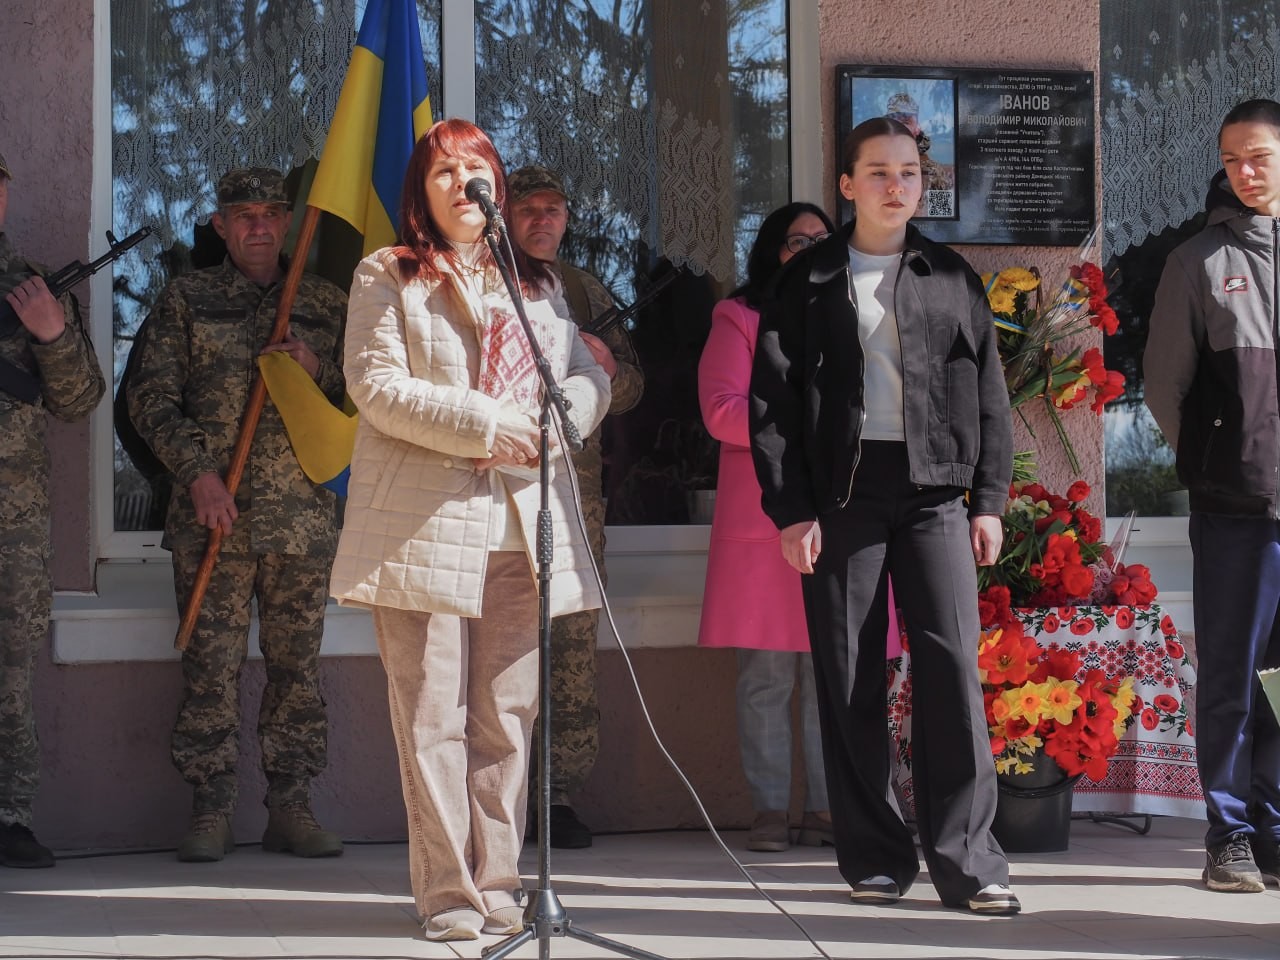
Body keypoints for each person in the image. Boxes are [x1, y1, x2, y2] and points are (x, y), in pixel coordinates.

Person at [328, 120, 610, 942]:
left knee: (506, 719)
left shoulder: (535, 285)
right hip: (423, 531)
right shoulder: (389, 274)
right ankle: (448, 894)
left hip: (521, 530)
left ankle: (500, 884)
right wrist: (489, 423)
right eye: (444, 171)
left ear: (497, 184)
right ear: (422, 191)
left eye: (475, 168)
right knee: (433, 722)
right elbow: (376, 386)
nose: (462, 183)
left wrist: (558, 424)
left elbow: (585, 375)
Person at [748, 117, 1018, 914]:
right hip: (843, 497)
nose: (895, 186)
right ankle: (874, 859)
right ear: (847, 184)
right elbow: (773, 406)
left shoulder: (951, 276)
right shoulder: (807, 281)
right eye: (877, 172)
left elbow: (990, 395)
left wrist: (988, 501)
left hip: (934, 495)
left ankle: (969, 863)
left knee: (951, 669)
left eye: (908, 172)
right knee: (850, 675)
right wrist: (792, 511)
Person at [127, 167, 348, 863]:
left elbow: (370, 397)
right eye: (243, 215)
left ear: (287, 223)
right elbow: (149, 398)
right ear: (220, 225)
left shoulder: (323, 303)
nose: (259, 226)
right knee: (210, 668)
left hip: (299, 520)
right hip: (212, 516)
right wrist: (196, 474)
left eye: (271, 214)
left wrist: (319, 369)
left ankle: (291, 805)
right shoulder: (187, 299)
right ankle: (210, 807)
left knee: (296, 671)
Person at [1144, 97, 1280, 894]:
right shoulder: (1196, 261)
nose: (1245, 171)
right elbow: (1165, 388)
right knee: (1232, 677)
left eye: (1259, 155)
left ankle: (1275, 829)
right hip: (1235, 508)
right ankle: (1228, 835)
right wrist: (1216, 461)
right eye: (1232, 159)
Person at [506, 163, 644, 849]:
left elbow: (634, 385)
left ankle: (556, 795)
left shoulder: (584, 290)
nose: (542, 220)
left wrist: (608, 370)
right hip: (502, 490)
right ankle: (500, 795)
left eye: (553, 209)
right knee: (501, 648)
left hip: (574, 503)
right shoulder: (483, 282)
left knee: (570, 652)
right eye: (527, 208)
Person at [696, 202, 835, 852]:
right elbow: (721, 413)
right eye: (795, 241)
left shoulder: (856, 312)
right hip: (763, 518)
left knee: (832, 675)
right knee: (767, 678)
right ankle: (771, 809)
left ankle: (830, 809)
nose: (809, 249)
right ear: (771, 251)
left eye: (821, 239)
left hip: (838, 515)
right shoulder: (740, 315)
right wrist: (809, 422)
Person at [0, 149, 106, 869]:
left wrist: (51, 334)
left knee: (10, 671)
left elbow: (79, 401)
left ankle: (8, 817)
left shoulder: (35, 287)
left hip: (12, 524)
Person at [885, 92, 952, 216]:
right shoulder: (871, 165)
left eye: (905, 122)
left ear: (917, 129)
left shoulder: (934, 172)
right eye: (894, 121)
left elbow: (941, 217)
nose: (898, 127)